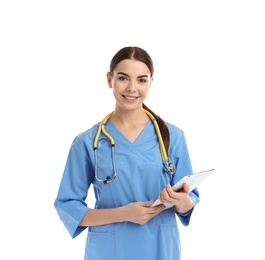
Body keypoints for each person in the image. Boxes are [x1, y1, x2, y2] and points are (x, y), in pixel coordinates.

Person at [54, 46, 200, 260]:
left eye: (141, 80)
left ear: (151, 82)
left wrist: (181, 200)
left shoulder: (172, 137)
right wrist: (123, 214)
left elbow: (188, 203)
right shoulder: (87, 142)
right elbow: (67, 206)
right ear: (109, 79)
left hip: (160, 248)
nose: (132, 88)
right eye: (123, 78)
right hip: (109, 251)